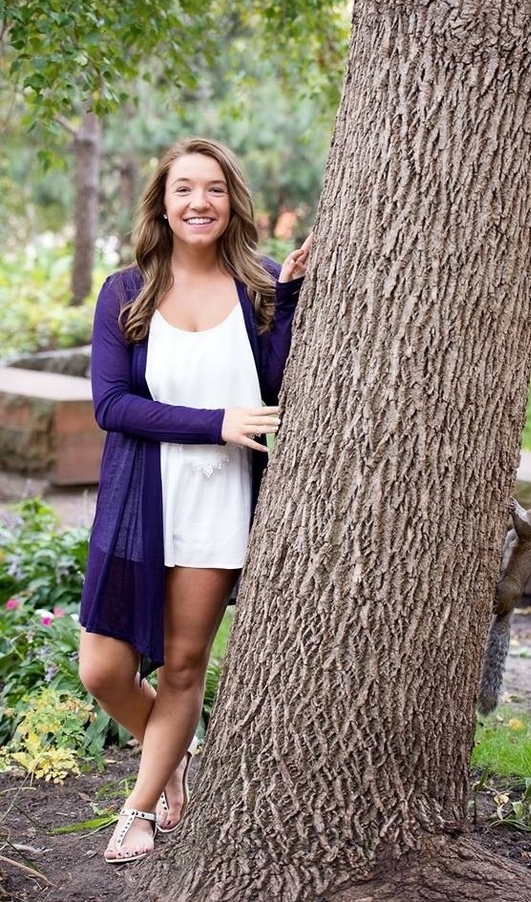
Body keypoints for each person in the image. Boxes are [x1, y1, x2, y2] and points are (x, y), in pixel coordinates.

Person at [78, 136, 311, 864]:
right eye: (184, 189)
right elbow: (112, 406)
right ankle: (170, 749)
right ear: (163, 203)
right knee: (104, 670)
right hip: (141, 500)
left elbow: (274, 385)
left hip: (218, 504)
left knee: (183, 665)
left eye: (213, 189)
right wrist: (216, 424)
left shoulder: (260, 283)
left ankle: (139, 810)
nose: (198, 202)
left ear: (231, 200)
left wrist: (296, 294)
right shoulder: (126, 290)